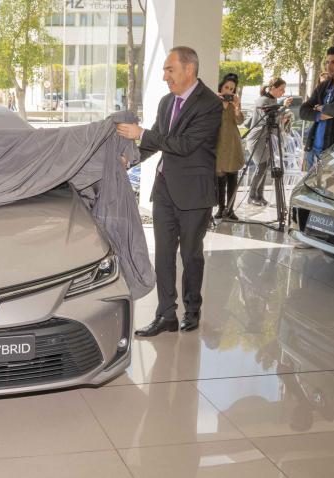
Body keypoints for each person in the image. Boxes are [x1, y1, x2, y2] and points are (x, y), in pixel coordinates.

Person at [117, 46, 223, 337]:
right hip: (164, 189)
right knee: (163, 255)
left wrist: (141, 134)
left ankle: (192, 310)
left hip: (194, 194)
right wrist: (129, 160)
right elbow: (156, 141)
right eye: (165, 70)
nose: (165, 76)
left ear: (189, 69)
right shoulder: (166, 102)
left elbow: (185, 145)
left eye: (169, 70)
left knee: (190, 255)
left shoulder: (210, 104)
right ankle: (165, 315)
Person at [246, 77, 292, 207]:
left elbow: (274, 119)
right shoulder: (263, 100)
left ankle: (259, 196)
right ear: (273, 88)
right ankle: (251, 196)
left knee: (264, 166)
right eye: (281, 89)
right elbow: (268, 118)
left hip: (266, 137)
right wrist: (284, 107)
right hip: (257, 138)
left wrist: (283, 116)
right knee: (261, 167)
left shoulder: (273, 100)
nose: (283, 92)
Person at [214, 73, 245, 220]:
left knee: (232, 178)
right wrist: (220, 104)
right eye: (226, 87)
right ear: (221, 87)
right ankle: (221, 209)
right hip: (219, 144)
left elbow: (240, 121)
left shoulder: (234, 103)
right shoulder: (214, 101)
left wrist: (237, 107)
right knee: (220, 180)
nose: (229, 91)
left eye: (232, 89)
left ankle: (230, 209)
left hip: (233, 144)